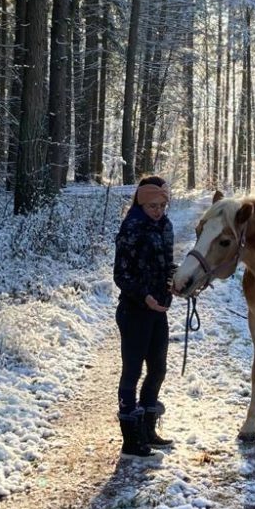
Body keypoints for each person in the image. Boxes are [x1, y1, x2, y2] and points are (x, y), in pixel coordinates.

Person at [113, 175, 176, 458]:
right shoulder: (132, 227)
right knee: (132, 372)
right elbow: (121, 275)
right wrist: (145, 296)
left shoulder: (165, 226)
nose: (158, 210)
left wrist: (179, 281)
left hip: (158, 311)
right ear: (141, 202)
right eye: (153, 205)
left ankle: (148, 430)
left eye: (162, 205)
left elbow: (166, 265)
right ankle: (131, 439)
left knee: (158, 369)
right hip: (134, 310)